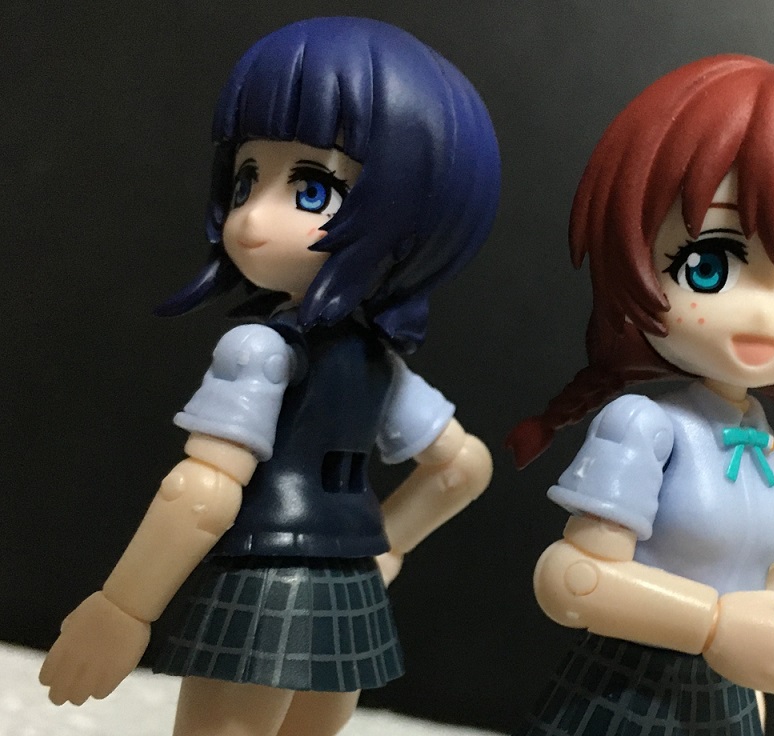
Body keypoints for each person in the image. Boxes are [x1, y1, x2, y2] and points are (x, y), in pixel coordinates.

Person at [40, 17, 500, 736]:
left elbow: (202, 492)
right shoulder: (382, 362)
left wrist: (122, 609)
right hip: (351, 589)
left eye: (312, 190)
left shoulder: (258, 349)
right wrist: (387, 546)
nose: (252, 218)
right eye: (246, 178)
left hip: (266, 585)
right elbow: (462, 467)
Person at [508, 54, 774, 735]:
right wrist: (713, 626)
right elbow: (571, 578)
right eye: (708, 265)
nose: (763, 314)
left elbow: (763, 591)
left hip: (724, 702)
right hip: (627, 689)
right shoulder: (643, 427)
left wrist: (752, 681)